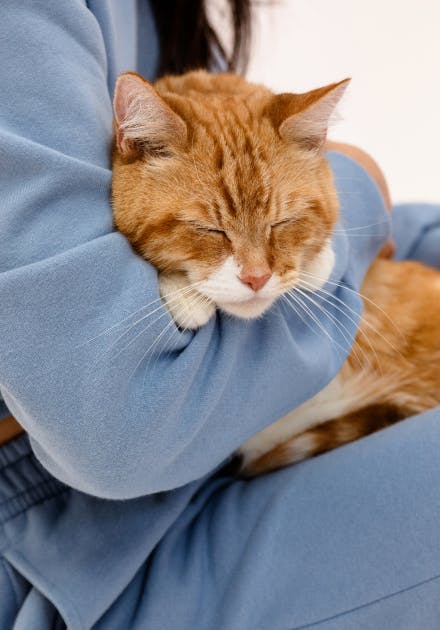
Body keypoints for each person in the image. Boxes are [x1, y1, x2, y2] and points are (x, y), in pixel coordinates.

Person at [1, 1, 440, 628]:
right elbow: (113, 429)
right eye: (210, 232)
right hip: (69, 537)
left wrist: (370, 214)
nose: (256, 271)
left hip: (199, 460)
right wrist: (360, 176)